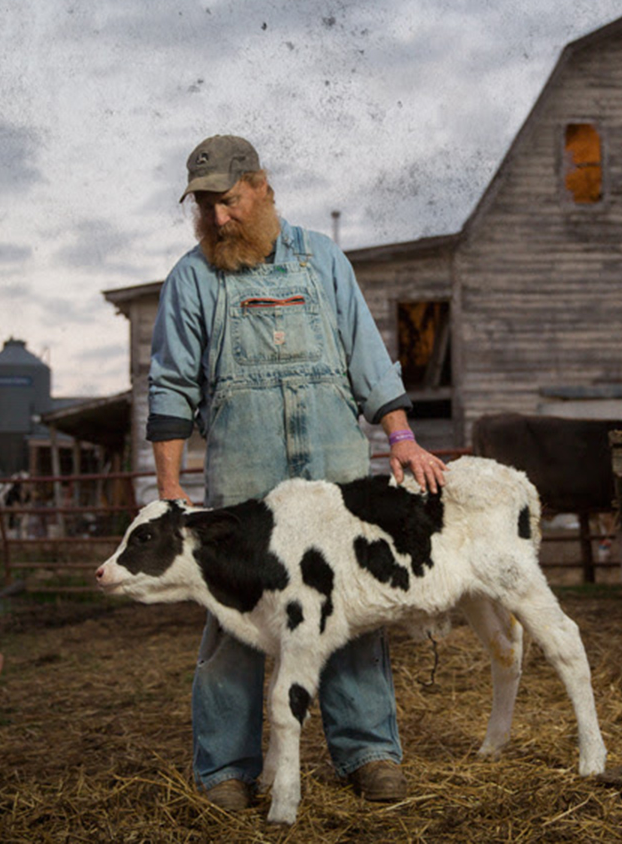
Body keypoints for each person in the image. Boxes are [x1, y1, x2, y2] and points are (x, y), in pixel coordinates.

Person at [146, 134, 449, 811]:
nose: (217, 219)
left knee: (349, 605)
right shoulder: (191, 279)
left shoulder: (322, 260)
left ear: (261, 187)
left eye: (227, 202)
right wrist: (170, 490)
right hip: (245, 468)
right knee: (233, 617)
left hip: (333, 465)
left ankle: (369, 750)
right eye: (204, 208)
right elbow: (169, 389)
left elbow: (368, 355)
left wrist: (399, 435)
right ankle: (225, 767)